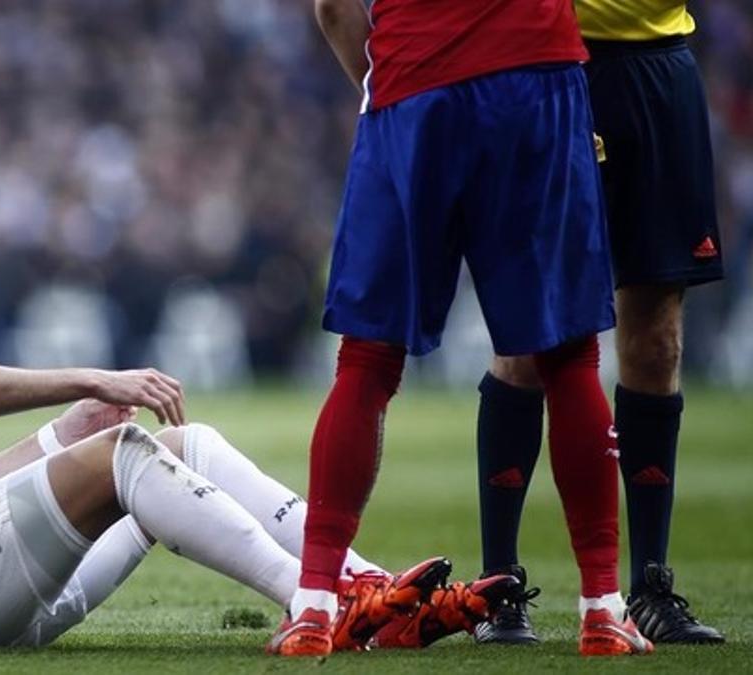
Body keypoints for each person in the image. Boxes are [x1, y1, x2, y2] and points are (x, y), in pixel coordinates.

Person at [0, 158, 511, 650]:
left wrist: (60, 437)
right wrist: (89, 380)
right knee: (124, 456)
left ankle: (366, 590)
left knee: (184, 446)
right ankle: (314, 603)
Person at [275, 0, 651, 658]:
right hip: (536, 73)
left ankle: (311, 608)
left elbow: (335, 7)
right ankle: (602, 609)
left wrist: (394, 81)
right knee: (569, 358)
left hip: (413, 80)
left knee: (366, 362)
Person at [473, 0, 724, 646]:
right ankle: (497, 585)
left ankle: (649, 586)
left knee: (657, 340)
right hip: (551, 66)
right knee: (533, 334)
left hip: (660, 71)